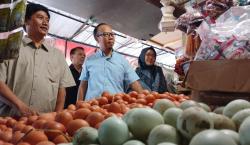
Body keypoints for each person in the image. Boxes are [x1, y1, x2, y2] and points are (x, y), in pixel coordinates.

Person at [0, 3, 75, 117]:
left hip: (45, 123)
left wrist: (57, 115)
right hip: (10, 121)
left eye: (47, 19)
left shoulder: (58, 55)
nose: (45, 22)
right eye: (40, 17)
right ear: (26, 21)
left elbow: (61, 89)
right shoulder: (9, 47)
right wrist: (19, 105)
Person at [78, 23, 143, 101]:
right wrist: (78, 105)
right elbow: (82, 86)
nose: (111, 37)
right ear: (97, 38)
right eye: (106, 34)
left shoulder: (122, 60)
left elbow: (134, 83)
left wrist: (144, 98)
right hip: (92, 107)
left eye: (112, 34)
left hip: (115, 107)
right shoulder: (89, 60)